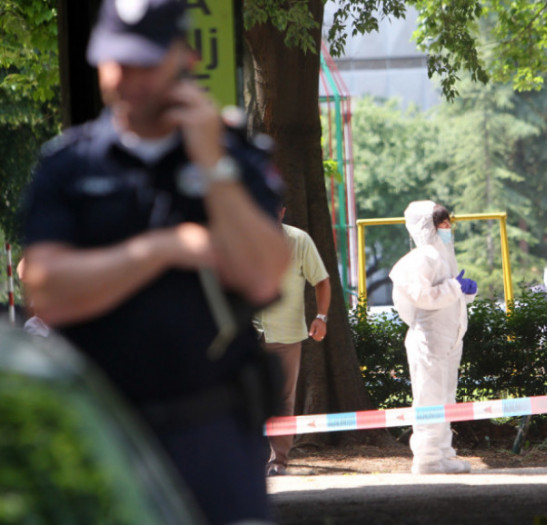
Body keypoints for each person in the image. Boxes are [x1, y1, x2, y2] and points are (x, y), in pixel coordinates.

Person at [17, 0, 289, 522]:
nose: (129, 77)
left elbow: (260, 274)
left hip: (212, 431)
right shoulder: (69, 164)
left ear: (182, 56)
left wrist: (212, 164)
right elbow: (47, 291)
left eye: (145, 61)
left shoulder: (232, 155)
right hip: (100, 430)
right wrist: (165, 249)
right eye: (117, 61)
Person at [389, 201, 477, 474]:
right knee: (429, 398)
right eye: (442, 225)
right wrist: (454, 287)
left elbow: (450, 294)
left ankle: (443, 454)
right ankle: (427, 459)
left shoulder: (444, 255)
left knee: (445, 397)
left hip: (449, 337)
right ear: (427, 228)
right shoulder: (421, 258)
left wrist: (465, 291)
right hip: (429, 338)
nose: (447, 230)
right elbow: (422, 297)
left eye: (449, 224)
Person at [255, 206, 331, 477]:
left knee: (283, 398)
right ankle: (248, 459)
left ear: (283, 211)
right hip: (245, 333)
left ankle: (278, 461)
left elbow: (322, 280)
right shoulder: (242, 236)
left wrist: (321, 317)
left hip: (285, 333)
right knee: (244, 395)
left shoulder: (299, 240)